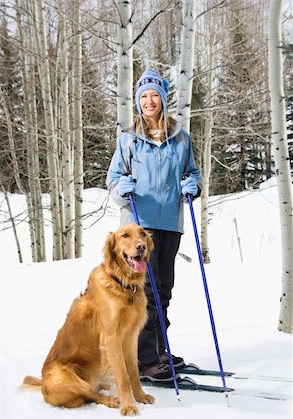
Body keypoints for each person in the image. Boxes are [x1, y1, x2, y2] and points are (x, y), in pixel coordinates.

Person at [106, 68, 202, 381]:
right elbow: (113, 179)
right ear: (138, 101)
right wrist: (122, 187)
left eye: (154, 95)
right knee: (145, 290)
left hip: (170, 224)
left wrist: (191, 185)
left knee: (164, 290)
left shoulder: (180, 138)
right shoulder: (129, 139)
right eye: (144, 96)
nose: (149, 101)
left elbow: (192, 173)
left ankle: (160, 351)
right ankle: (145, 359)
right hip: (138, 226)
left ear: (163, 98)